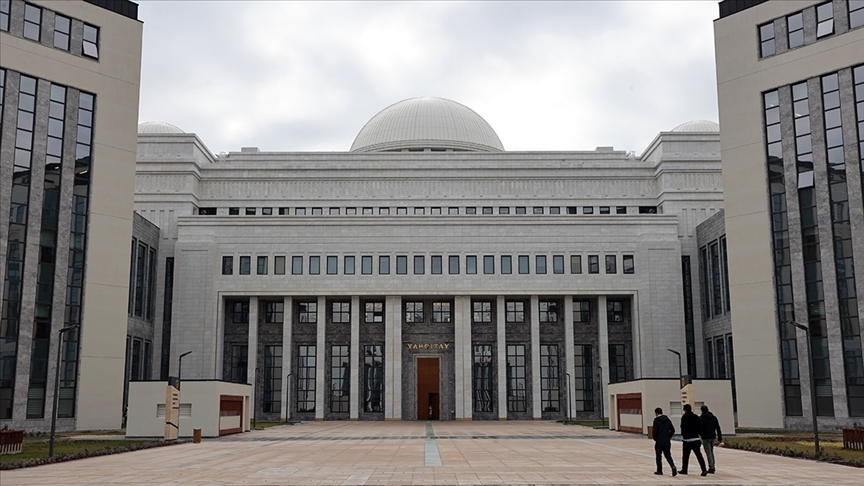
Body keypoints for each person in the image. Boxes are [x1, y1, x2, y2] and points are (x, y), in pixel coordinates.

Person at [679, 403, 708, 476]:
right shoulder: (696, 417)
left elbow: (682, 427)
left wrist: (684, 435)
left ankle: (684, 469)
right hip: (695, 438)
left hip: (687, 440)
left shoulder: (684, 417)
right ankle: (704, 469)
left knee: (685, 456)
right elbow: (700, 427)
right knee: (699, 455)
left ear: (685, 410)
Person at [652, 407, 677, 476]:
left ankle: (659, 470)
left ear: (656, 413)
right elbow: (672, 430)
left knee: (658, 456)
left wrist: (655, 438)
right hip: (666, 440)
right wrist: (668, 437)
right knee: (668, 455)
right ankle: (672, 466)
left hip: (659, 441)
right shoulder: (667, 420)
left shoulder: (656, 420)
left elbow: (655, 431)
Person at [699, 405, 723, 474]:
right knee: (711, 451)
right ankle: (713, 465)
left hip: (705, 437)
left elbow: (700, 428)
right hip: (713, 436)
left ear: (702, 410)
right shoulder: (714, 418)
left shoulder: (701, 418)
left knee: (708, 452)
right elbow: (718, 428)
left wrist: (701, 435)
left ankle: (711, 467)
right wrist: (720, 438)